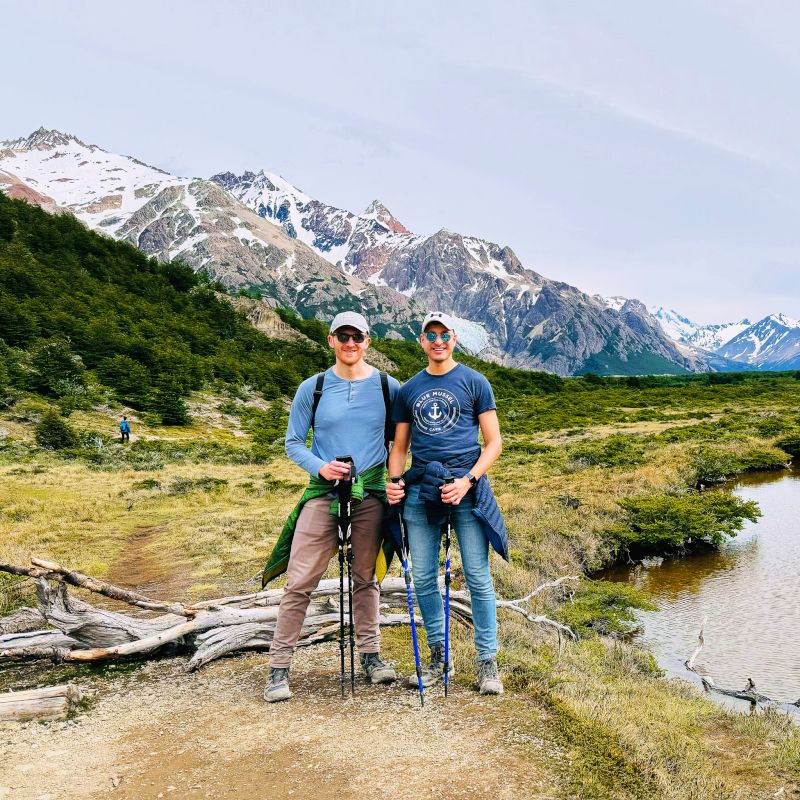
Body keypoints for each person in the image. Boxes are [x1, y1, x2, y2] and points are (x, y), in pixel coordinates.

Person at [262, 311, 401, 703]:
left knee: (366, 577)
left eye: (357, 337)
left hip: (370, 492)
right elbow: (293, 442)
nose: (350, 343)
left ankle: (371, 656)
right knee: (300, 580)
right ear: (331, 340)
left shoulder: (389, 387)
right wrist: (321, 467)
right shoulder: (314, 387)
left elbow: (402, 440)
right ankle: (278, 667)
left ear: (368, 340)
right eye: (343, 336)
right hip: (323, 492)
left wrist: (397, 480)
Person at [386, 311, 508, 696]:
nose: (438, 341)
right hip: (422, 487)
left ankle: (487, 662)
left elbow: (493, 443)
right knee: (422, 577)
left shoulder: (475, 382)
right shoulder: (408, 390)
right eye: (431, 335)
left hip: (466, 487)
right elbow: (400, 447)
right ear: (421, 341)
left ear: (454, 338)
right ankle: (439, 657)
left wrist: (468, 481)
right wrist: (394, 482)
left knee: (477, 576)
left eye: (444, 335)